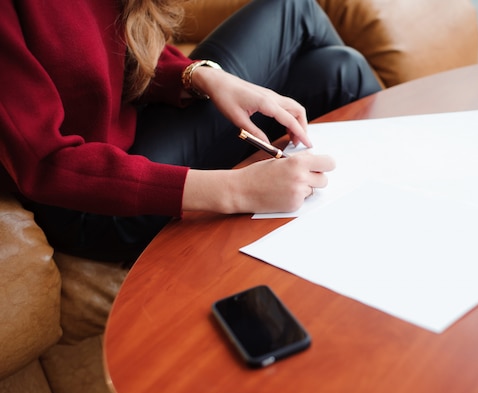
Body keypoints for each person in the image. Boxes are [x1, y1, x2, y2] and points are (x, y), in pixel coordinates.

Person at [0, 0, 381, 262]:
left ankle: (380, 205)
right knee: (294, 10)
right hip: (89, 202)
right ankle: (376, 213)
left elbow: (116, 56)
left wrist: (200, 75)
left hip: (135, 134)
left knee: (336, 68)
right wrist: (238, 190)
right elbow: (45, 164)